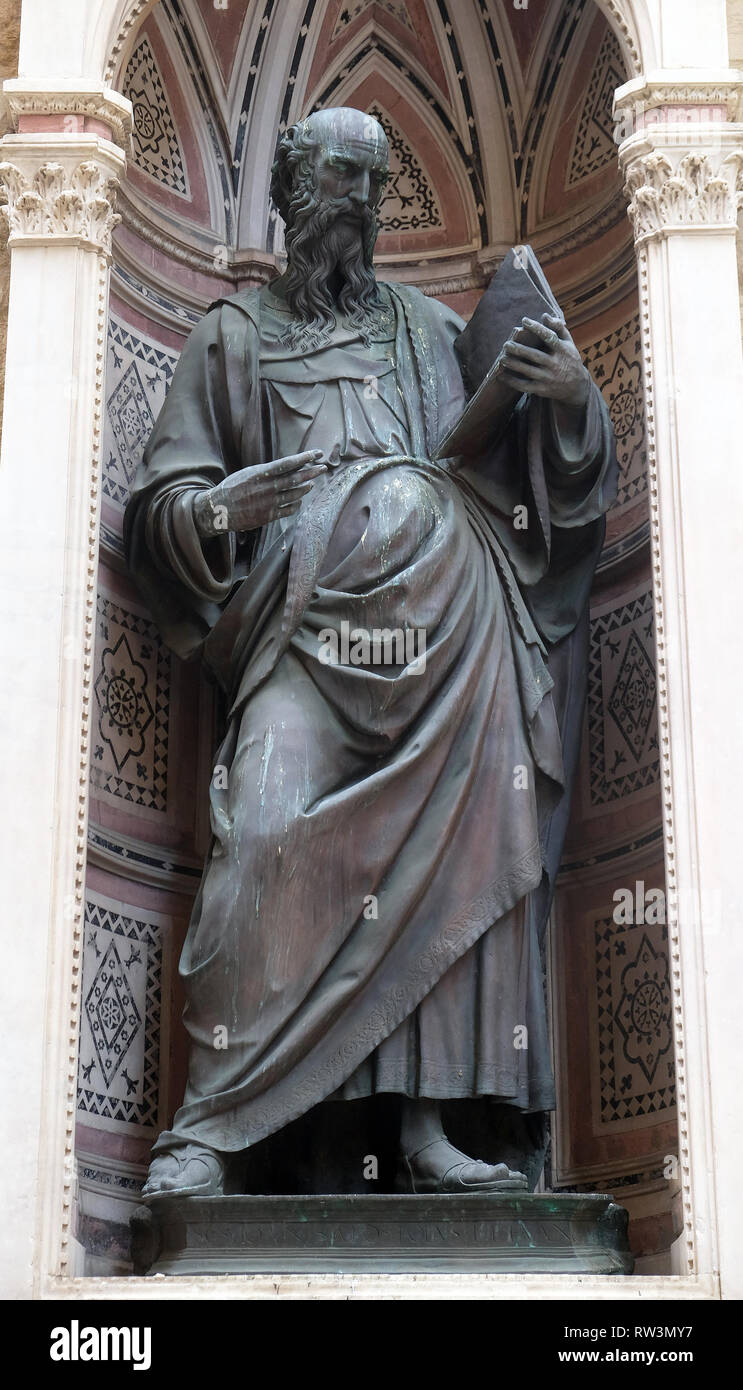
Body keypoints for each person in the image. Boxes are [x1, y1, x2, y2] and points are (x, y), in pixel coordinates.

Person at [124, 106, 617, 1199]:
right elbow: (157, 507)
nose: (350, 210)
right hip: (304, 639)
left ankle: (430, 1125)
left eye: (369, 191)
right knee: (261, 830)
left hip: (450, 638)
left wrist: (567, 405)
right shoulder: (232, 338)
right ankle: (214, 1127)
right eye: (331, 188)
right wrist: (216, 510)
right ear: (290, 199)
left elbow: (545, 501)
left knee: (470, 827)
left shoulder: (431, 332)